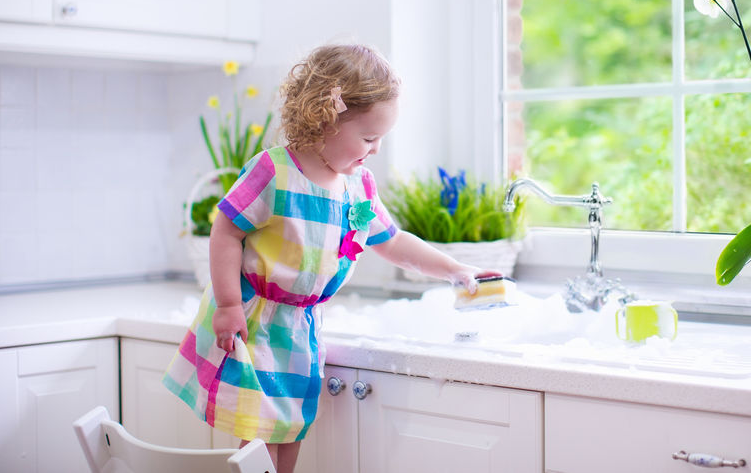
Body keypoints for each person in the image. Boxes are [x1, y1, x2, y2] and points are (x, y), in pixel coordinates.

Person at [163, 43, 499, 473]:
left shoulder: (357, 185)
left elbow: (393, 242)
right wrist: (228, 305)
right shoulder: (274, 171)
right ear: (325, 117)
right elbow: (226, 228)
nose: (375, 149)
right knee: (258, 439)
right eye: (369, 137)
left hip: (303, 330)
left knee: (291, 431)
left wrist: (454, 268)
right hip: (257, 323)